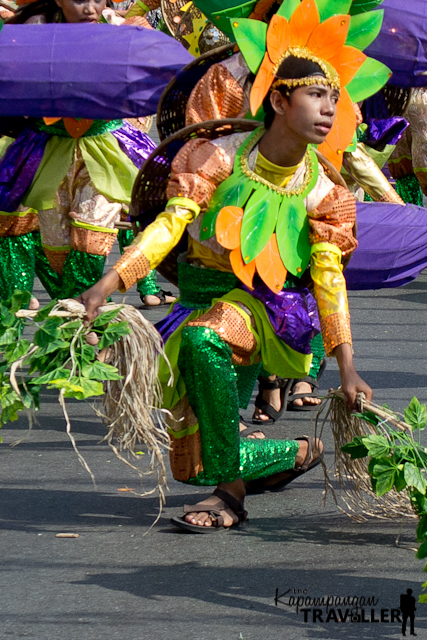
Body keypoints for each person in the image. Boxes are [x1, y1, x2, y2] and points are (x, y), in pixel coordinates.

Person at [77, 0, 382, 532]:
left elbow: (329, 278)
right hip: (199, 293)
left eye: (335, 98)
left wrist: (347, 364)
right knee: (191, 452)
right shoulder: (216, 156)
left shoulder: (325, 191)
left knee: (204, 342)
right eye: (316, 95)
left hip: (267, 308)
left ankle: (231, 497)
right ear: (281, 99)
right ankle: (293, 454)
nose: (330, 109)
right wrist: (111, 281)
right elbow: (170, 226)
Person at [0, 0, 159, 303]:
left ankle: (91, 326)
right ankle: (86, 331)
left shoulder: (118, 30)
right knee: (57, 252)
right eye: (80, 0)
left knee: (92, 236)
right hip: (49, 151)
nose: (90, 8)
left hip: (104, 152)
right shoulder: (35, 29)